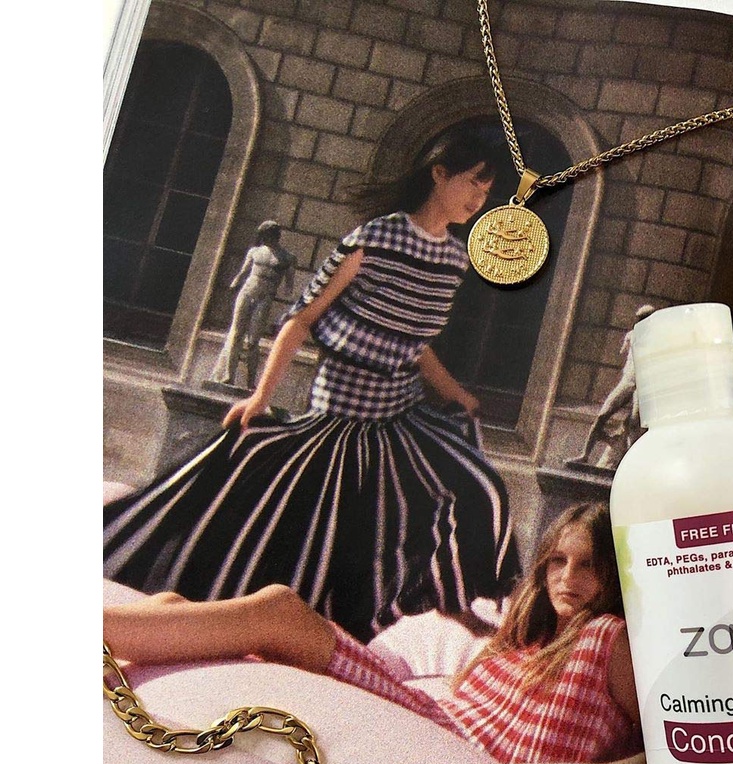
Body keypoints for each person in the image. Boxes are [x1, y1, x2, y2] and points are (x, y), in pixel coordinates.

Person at [104, 126, 520, 642]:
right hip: (338, 414)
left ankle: (452, 598)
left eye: (487, 190)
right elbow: (300, 319)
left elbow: (415, 342)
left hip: (398, 415)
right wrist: (261, 396)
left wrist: (452, 391)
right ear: (439, 174)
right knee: (308, 530)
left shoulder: (454, 259)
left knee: (482, 488)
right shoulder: (373, 239)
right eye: (473, 183)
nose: (479, 199)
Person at [104, 503, 642, 764]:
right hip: (430, 720)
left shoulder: (608, 637)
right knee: (178, 607)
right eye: (558, 562)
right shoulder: (529, 640)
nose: (568, 578)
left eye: (589, 566)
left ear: (615, 576)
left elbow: (666, 740)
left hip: (451, 752)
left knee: (280, 611)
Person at [211, 219, 297, 389]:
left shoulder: (287, 257)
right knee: (236, 333)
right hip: (247, 292)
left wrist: (289, 293)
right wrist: (235, 282)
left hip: (265, 297)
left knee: (253, 340)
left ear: (274, 235)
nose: (264, 238)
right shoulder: (255, 251)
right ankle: (228, 376)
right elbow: (244, 271)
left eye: (266, 235)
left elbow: (289, 282)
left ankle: (250, 381)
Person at [574, 304, 656, 467]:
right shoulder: (631, 336)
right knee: (602, 415)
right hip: (628, 381)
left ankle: (629, 462)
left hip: (642, 386)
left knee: (634, 424)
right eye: (640, 319)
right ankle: (585, 454)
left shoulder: (656, 340)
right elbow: (623, 353)